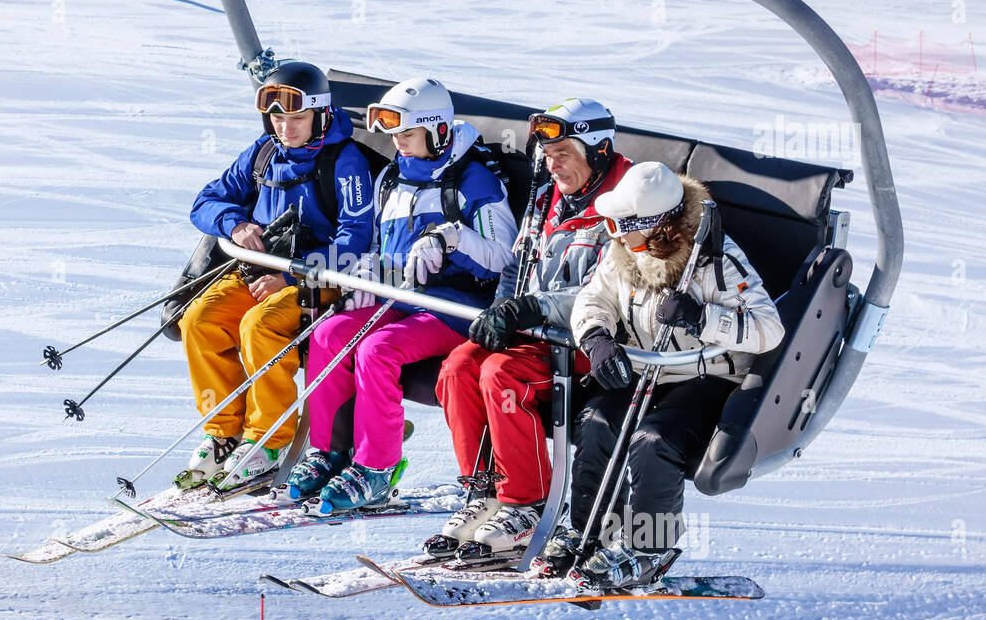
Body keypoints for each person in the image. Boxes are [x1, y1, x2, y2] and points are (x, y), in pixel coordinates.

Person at [537, 161, 785, 588]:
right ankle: (588, 527)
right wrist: (596, 338)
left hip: (705, 377)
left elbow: (769, 329)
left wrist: (702, 317)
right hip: (645, 367)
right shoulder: (623, 252)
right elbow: (593, 299)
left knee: (653, 442)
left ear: (652, 223)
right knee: (597, 423)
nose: (610, 229)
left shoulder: (715, 260)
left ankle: (651, 545)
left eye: (620, 221)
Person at [282, 77, 515, 515]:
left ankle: (376, 467)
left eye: (407, 134)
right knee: (329, 333)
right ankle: (330, 451)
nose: (398, 144)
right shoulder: (392, 178)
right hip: (400, 296)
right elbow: (378, 247)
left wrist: (452, 239)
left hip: (456, 308)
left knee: (379, 349)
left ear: (438, 130)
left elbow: (504, 260)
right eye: (393, 136)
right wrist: (370, 267)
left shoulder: (475, 181)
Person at [430, 98, 632, 560]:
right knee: (458, 366)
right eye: (547, 154)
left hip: (586, 340)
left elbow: (607, 293)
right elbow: (519, 263)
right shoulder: (550, 193)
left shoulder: (624, 204)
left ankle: (527, 503)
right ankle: (484, 492)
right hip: (534, 328)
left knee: (500, 374)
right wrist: (504, 308)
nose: (552, 164)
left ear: (599, 151)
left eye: (564, 154)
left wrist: (528, 309)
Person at [177, 62, 374, 490]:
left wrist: (292, 281)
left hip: (321, 278)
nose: (286, 128)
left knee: (260, 325)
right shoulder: (264, 152)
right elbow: (205, 201)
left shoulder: (346, 161)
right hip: (262, 268)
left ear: (320, 115)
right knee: (199, 321)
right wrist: (234, 223)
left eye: (298, 118)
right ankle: (224, 432)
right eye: (278, 118)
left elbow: (355, 240)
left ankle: (268, 440)